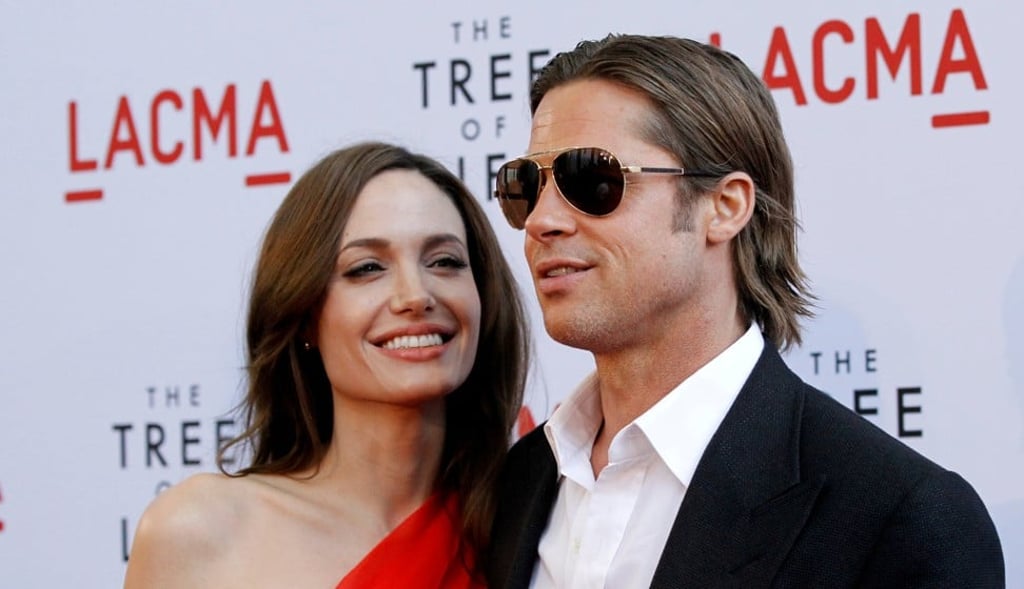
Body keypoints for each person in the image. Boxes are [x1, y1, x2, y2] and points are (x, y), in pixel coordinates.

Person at [487, 35, 1004, 588]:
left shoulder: (899, 521)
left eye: (590, 179)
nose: (542, 221)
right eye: (527, 186)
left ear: (725, 207)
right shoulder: (519, 482)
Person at [124, 141, 529, 588]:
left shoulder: (532, 527)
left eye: (445, 261)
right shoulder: (200, 531)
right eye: (367, 268)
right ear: (304, 316)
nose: (416, 295)